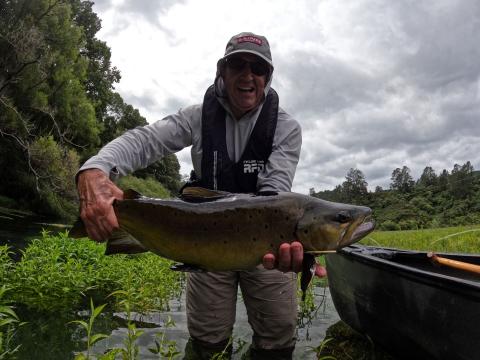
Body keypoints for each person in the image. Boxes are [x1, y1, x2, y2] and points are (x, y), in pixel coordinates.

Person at [76, 32, 326, 360]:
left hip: (265, 247)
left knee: (278, 335)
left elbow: (275, 196)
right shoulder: (196, 116)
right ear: (222, 70)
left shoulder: (285, 127)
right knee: (207, 339)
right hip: (204, 241)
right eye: (237, 64)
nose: (248, 74)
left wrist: (298, 246)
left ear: (268, 76)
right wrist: (96, 169)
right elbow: (145, 140)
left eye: (258, 68)